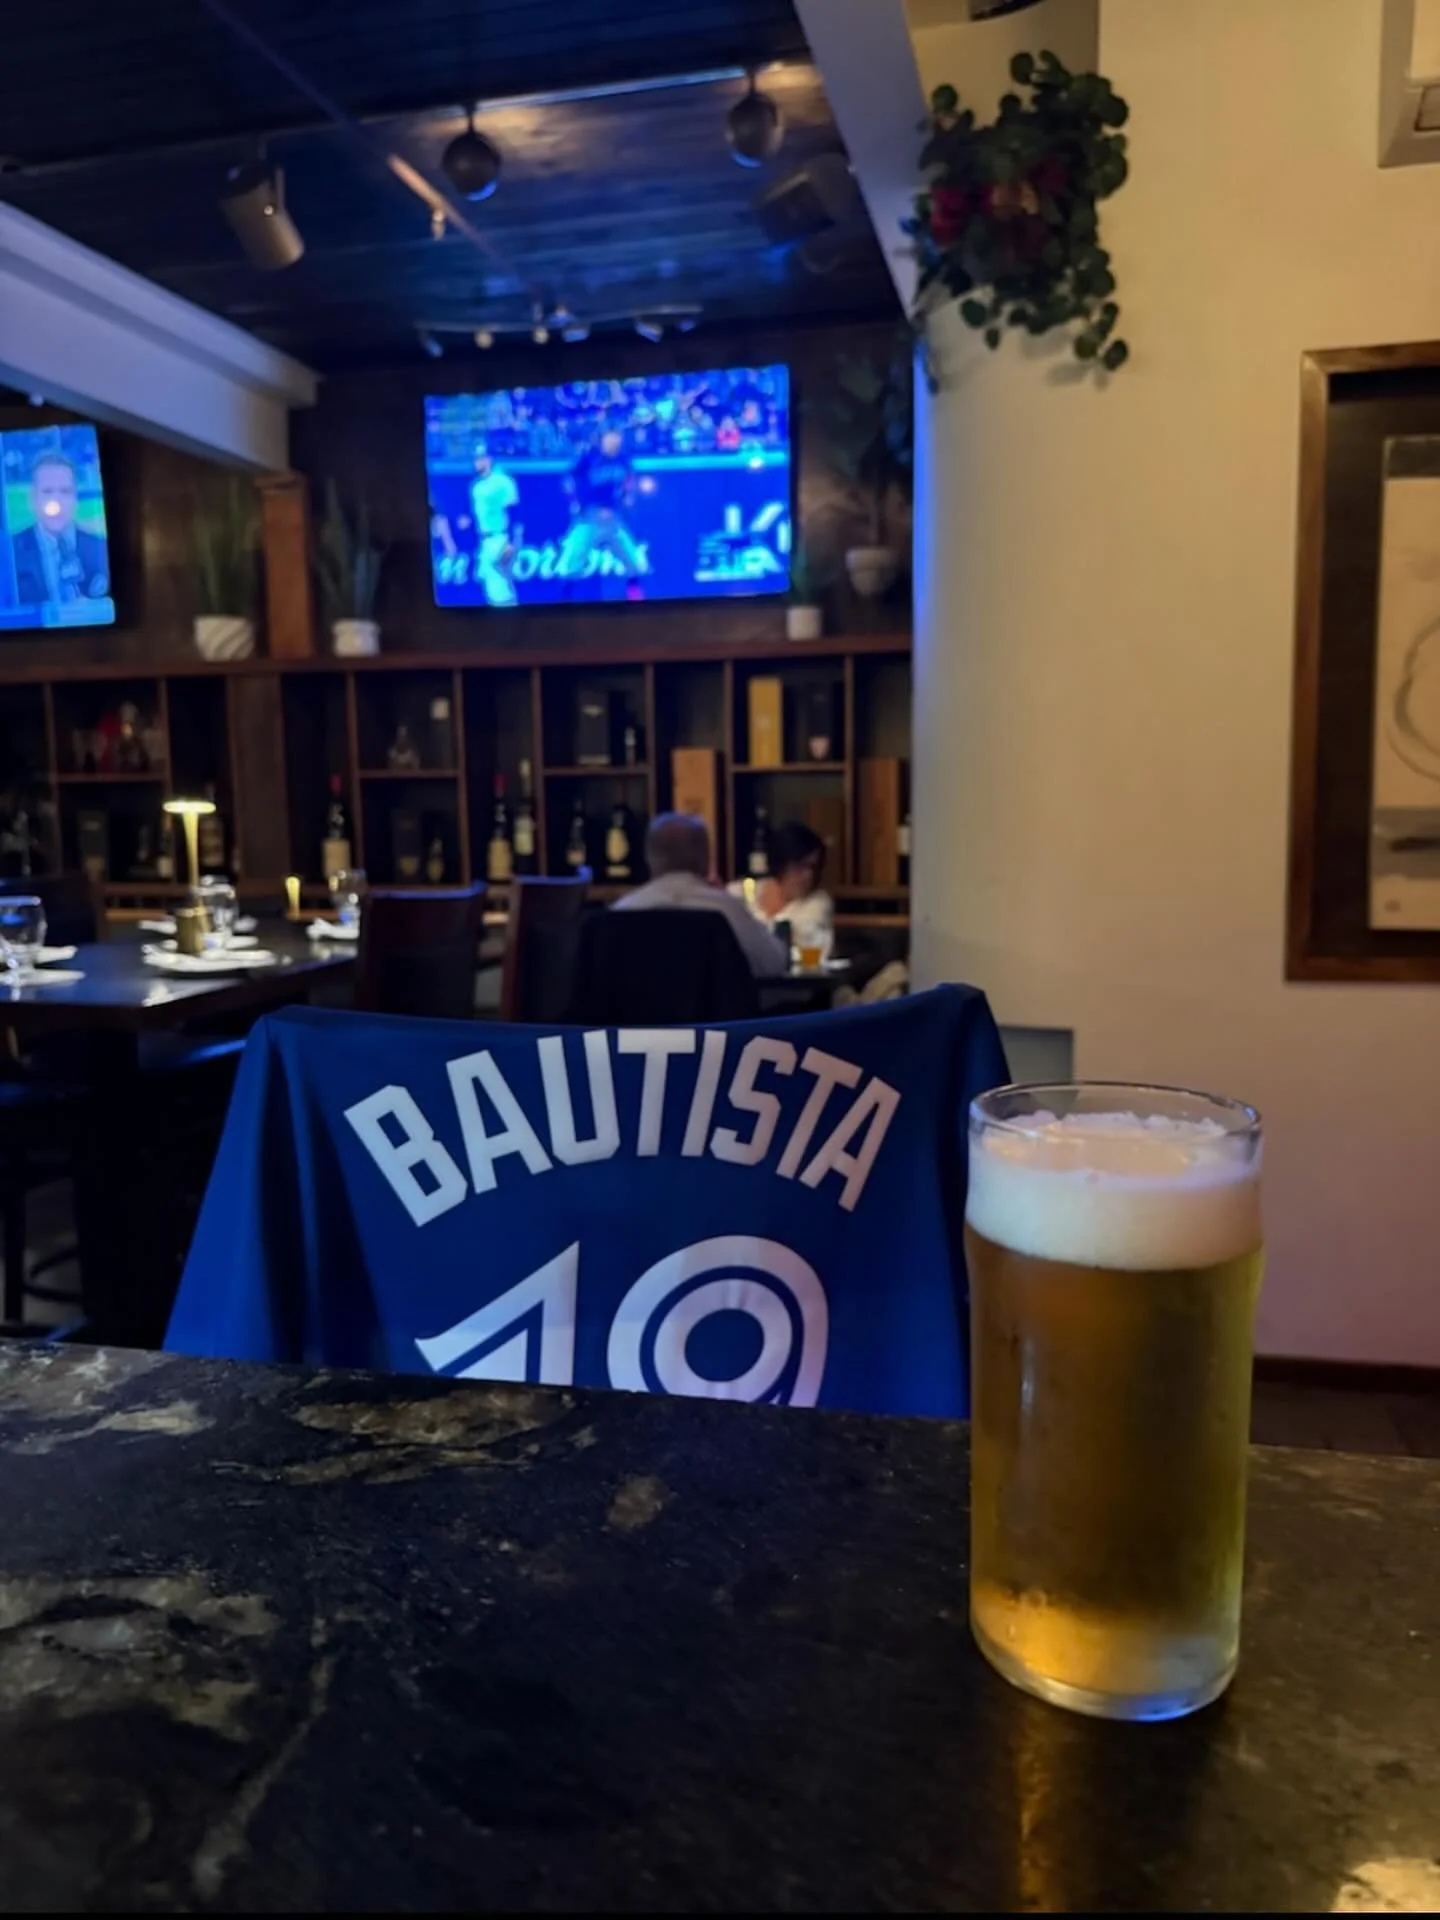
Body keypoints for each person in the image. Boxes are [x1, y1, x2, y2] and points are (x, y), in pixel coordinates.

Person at [611, 814, 786, 977]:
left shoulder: (620, 911)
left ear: (649, 858)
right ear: (705, 859)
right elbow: (774, 963)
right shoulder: (725, 908)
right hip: (719, 1010)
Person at [11, 453, 109, 611]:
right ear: (33, 499)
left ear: (75, 498)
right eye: (47, 492)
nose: (56, 502)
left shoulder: (101, 548)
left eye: (65, 491)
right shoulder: (9, 553)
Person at [728, 821, 834, 954]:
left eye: (813, 868)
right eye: (800, 867)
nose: (808, 875)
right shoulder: (739, 893)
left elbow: (810, 947)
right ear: (781, 864)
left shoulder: (817, 903)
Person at [559, 428, 646, 581]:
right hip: (589, 517)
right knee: (571, 568)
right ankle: (565, 602)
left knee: (634, 565)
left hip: (613, 519)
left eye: (618, 437)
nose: (615, 441)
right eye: (611, 437)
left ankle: (637, 601)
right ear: (603, 439)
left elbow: (630, 477)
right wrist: (574, 502)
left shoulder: (623, 458)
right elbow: (568, 480)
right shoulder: (590, 457)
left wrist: (627, 495)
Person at [469, 443, 520, 607]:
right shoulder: (476, 485)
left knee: (501, 590)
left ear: (489, 459)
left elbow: (515, 512)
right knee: (492, 589)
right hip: (485, 539)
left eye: (481, 458)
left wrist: (512, 543)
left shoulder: (503, 481)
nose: (477, 462)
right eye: (475, 459)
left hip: (501, 538)